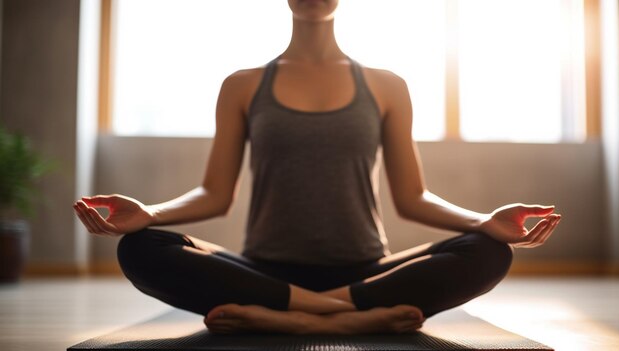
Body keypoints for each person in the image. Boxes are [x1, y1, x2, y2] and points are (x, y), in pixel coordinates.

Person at [73, 0, 561, 335]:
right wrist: (149, 213)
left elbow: (412, 199)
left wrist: (484, 222)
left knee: (489, 250)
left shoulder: (387, 85)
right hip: (263, 269)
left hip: (367, 270)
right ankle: (340, 318)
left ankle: (285, 318)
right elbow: (215, 194)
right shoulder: (242, 85)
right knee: (142, 248)